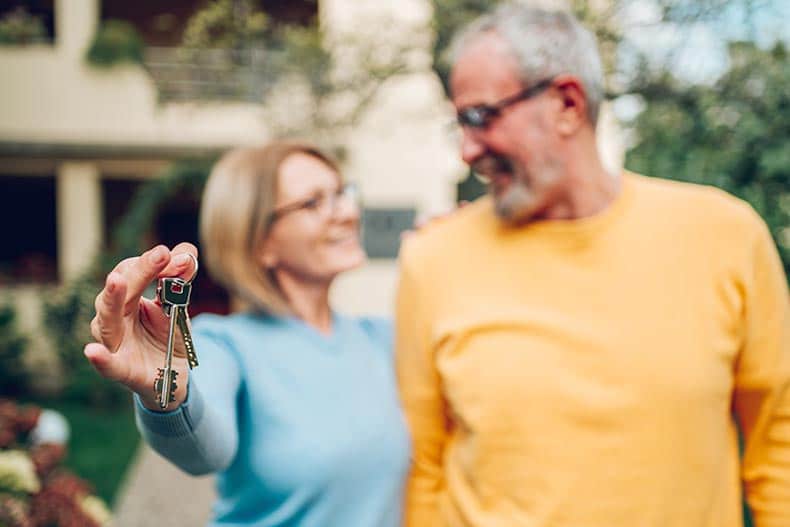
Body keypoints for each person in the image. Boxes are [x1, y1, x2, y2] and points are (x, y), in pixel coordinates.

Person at [395, 4, 790, 527]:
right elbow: (423, 466)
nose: (467, 150)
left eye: (481, 117)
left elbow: (779, 439)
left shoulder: (726, 235)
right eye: (459, 125)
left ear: (566, 104)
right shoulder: (434, 258)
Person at [84, 141, 410, 526]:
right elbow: (205, 453)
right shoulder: (224, 345)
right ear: (260, 243)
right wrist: (167, 397)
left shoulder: (382, 338)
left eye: (341, 193)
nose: (348, 212)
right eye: (313, 203)